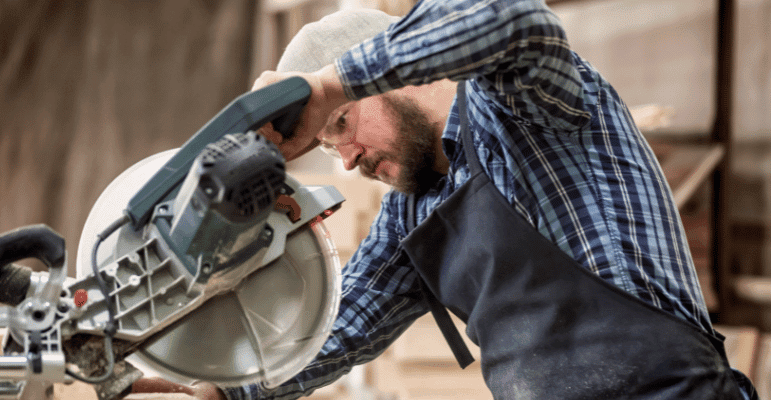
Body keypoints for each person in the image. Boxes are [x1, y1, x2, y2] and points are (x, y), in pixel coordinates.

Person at [135, 1, 759, 399]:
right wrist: (222, 391)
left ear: (398, 80)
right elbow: (336, 330)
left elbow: (514, 20)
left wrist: (327, 84)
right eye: (329, 148)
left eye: (343, 126)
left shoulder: (526, 111)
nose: (346, 160)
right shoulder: (412, 211)